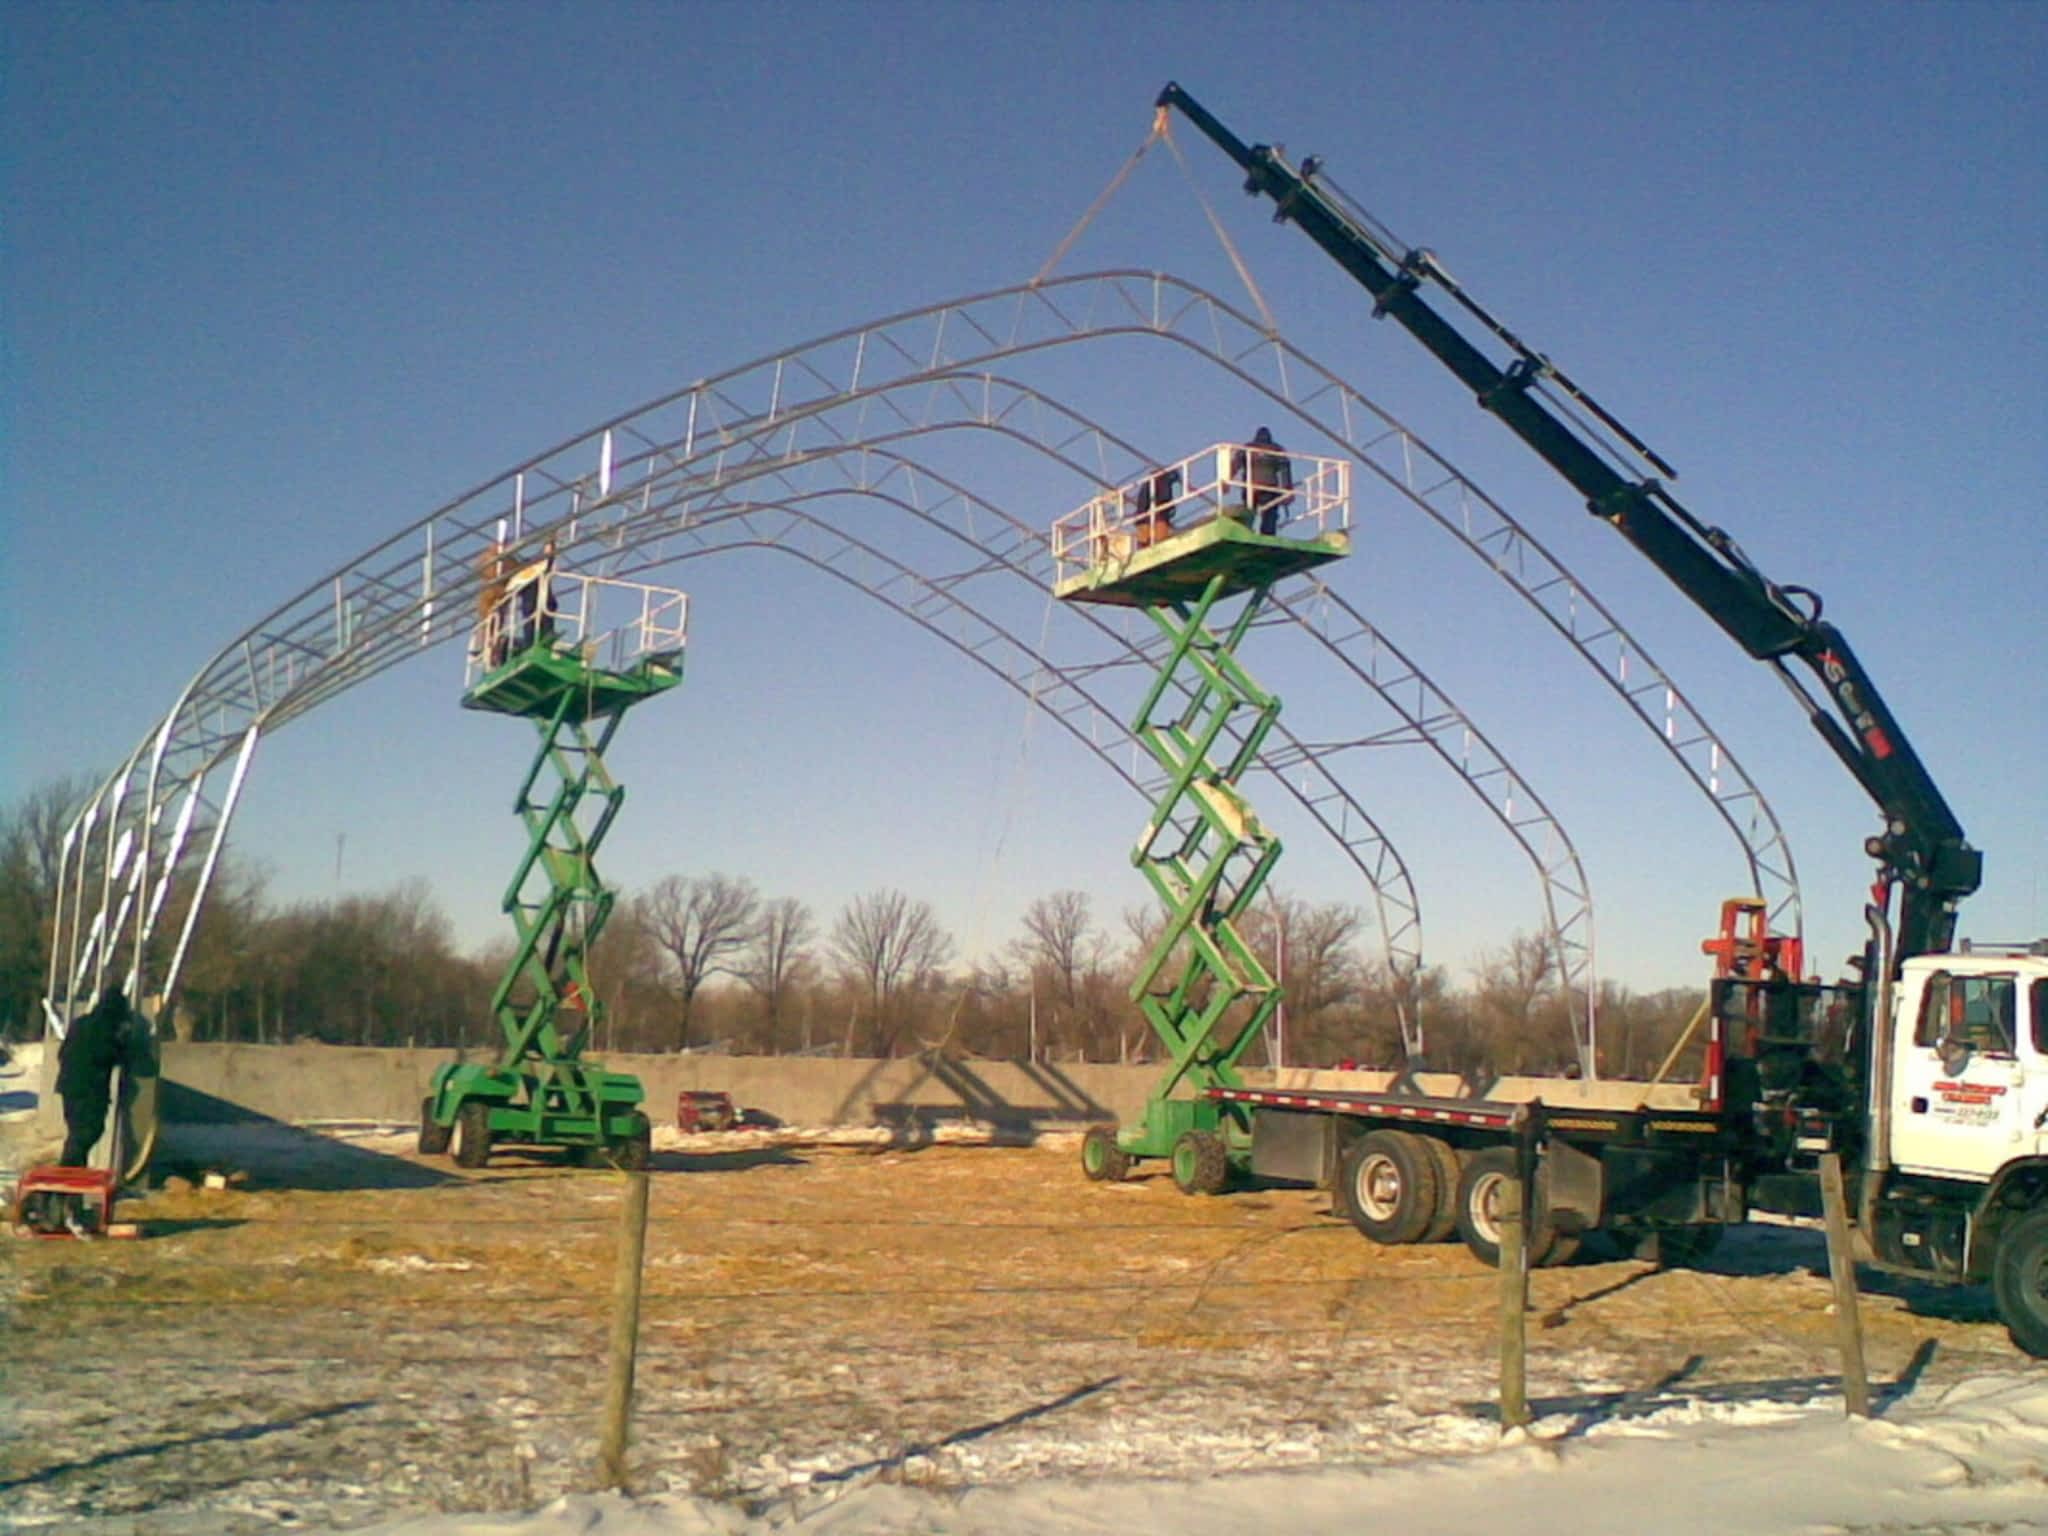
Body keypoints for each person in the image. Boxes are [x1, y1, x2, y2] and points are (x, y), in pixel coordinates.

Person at [57, 986, 134, 1167]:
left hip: (69, 1085)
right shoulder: (107, 1027)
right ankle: (63, 1179)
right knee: (88, 1132)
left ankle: (71, 1184)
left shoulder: (80, 1023)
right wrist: (123, 1044)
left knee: (77, 1133)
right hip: (91, 1089)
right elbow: (107, 1054)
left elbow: (62, 1053)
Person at [1229, 426, 1296, 534]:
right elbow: (1285, 472)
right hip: (1269, 487)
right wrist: (1288, 491)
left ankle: (1246, 531)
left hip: (1252, 488)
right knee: (1269, 514)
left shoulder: (1248, 448)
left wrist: (1226, 479)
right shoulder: (1276, 449)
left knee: (1249, 512)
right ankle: (1267, 534)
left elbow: (1235, 464)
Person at [1128, 465, 1181, 549]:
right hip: (1156, 518)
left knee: (1144, 545)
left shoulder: (1148, 484)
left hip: (1143, 519)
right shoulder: (1160, 481)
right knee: (1160, 544)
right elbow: (1165, 501)